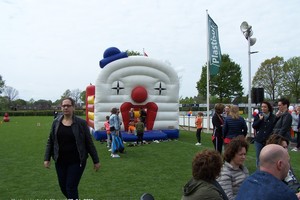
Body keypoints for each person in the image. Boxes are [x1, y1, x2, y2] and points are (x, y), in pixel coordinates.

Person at [44, 97, 100, 200]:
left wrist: (96, 161)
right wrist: (47, 158)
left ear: (73, 107)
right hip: (60, 161)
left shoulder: (81, 123)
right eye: (64, 105)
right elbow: (50, 141)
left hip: (76, 161)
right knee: (63, 187)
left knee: (71, 187)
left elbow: (89, 143)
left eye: (68, 105)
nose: (66, 107)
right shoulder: (56, 122)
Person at [217, 136, 249, 200]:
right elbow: (228, 198)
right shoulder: (225, 174)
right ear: (232, 154)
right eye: (241, 154)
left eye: (244, 154)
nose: (243, 157)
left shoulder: (243, 169)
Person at [252, 101, 276, 167]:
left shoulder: (273, 117)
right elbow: (254, 126)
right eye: (262, 107)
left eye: (265, 107)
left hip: (269, 140)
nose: (263, 108)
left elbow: (274, 128)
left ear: (268, 108)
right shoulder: (259, 115)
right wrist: (259, 120)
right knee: (259, 157)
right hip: (259, 140)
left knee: (269, 158)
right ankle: (259, 173)